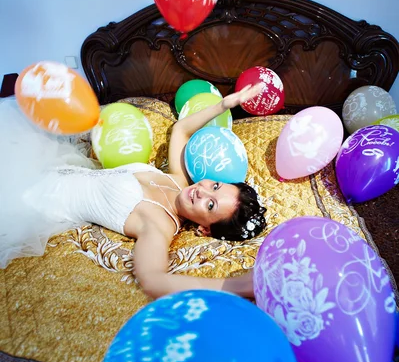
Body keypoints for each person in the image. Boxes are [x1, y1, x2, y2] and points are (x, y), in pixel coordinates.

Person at [0, 84, 266, 297]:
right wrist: (224, 104)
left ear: (204, 230)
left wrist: (236, 287)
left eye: (210, 206)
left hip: (34, 199)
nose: (203, 192)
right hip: (49, 167)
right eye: (215, 186)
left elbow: (153, 280)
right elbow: (181, 130)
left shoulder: (159, 225)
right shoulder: (179, 180)